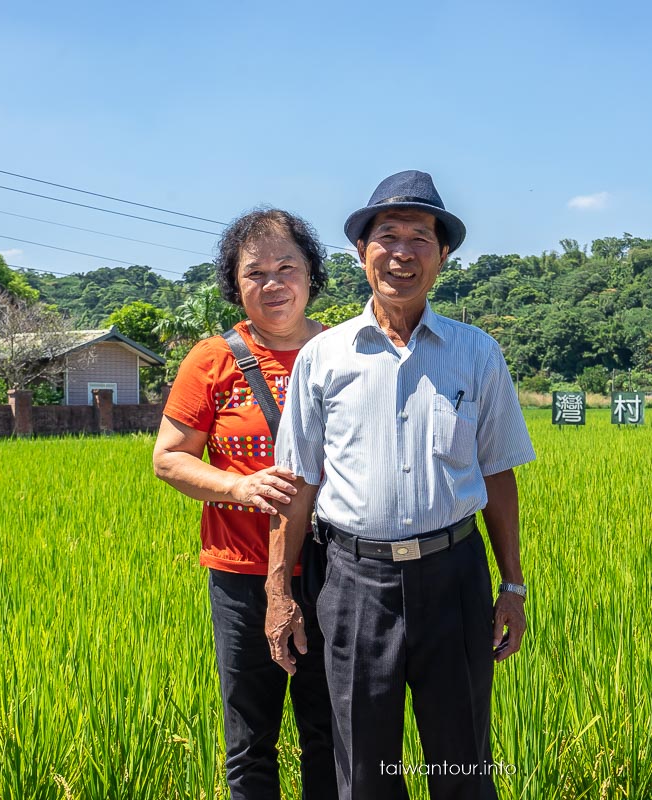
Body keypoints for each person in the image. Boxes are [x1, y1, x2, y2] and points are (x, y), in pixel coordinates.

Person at [264, 171, 536, 799]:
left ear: (442, 257)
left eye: (421, 238)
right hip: (354, 582)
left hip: (455, 577)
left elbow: (497, 473)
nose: (403, 252)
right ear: (363, 253)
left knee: (462, 763)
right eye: (387, 236)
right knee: (362, 768)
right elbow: (297, 484)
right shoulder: (324, 357)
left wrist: (513, 584)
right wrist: (280, 591)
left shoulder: (477, 354)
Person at [152, 208, 336, 800]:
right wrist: (240, 486)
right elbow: (169, 457)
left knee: (330, 732)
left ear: (312, 275)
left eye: (288, 267)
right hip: (240, 576)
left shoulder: (344, 352)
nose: (274, 283)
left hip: (338, 574)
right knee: (251, 739)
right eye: (256, 272)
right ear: (236, 284)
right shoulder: (212, 359)